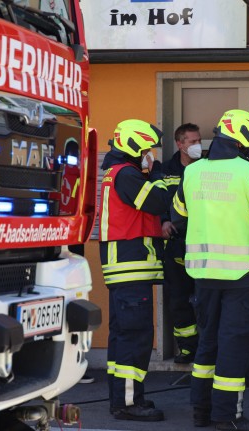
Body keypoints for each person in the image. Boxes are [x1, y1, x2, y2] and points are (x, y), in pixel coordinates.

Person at [171, 109, 249, 431]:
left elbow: (178, 215)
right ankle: (227, 416)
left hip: (203, 275)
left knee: (207, 342)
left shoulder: (192, 172)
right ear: (243, 141)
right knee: (233, 345)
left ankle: (201, 411)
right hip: (238, 275)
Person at [98, 119, 171, 422]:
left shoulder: (115, 173)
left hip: (123, 268)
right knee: (136, 336)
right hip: (131, 266)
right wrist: (158, 176)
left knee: (122, 336)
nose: (149, 155)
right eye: (146, 149)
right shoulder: (127, 175)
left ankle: (121, 398)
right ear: (133, 147)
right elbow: (157, 201)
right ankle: (129, 403)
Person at [161, 123, 203, 364]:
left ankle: (208, 347)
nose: (197, 145)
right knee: (178, 299)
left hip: (203, 242)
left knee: (205, 299)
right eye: (192, 141)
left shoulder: (207, 169)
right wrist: (163, 221)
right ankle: (188, 349)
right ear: (180, 143)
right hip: (176, 243)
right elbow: (158, 201)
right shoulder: (165, 170)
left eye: (199, 141)